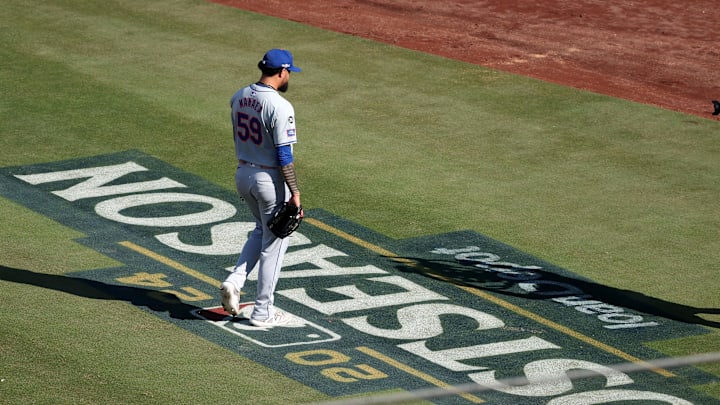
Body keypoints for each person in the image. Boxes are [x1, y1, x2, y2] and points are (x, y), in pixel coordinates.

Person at [220, 49, 304, 328]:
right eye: (289, 71)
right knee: (275, 242)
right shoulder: (280, 106)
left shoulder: (239, 95)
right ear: (282, 72)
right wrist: (295, 192)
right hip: (268, 180)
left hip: (243, 173)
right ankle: (262, 311)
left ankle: (235, 281)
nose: (289, 76)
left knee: (261, 230)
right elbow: (284, 156)